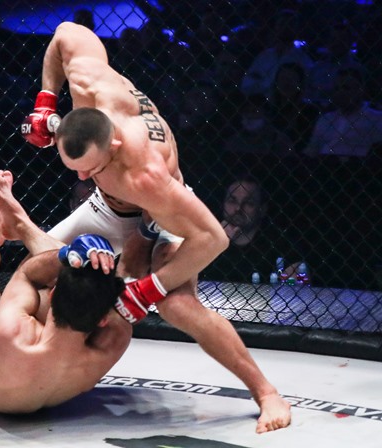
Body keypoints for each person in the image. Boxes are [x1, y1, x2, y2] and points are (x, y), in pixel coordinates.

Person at [21, 22, 291, 432]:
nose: (81, 178)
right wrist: (44, 102)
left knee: (176, 306)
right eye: (74, 168)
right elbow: (65, 33)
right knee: (34, 268)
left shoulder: (146, 174)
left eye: (90, 168)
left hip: (163, 216)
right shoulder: (90, 83)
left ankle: (266, 393)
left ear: (113, 146)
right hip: (109, 206)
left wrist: (148, 286)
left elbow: (213, 238)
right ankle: (36, 373)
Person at [0, 170, 132, 413]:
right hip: (50, 354)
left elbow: (27, 273)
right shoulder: (115, 338)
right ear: (103, 319)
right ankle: (13, 224)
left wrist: (67, 255)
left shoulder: (14, 335)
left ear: (53, 294)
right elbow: (124, 290)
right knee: (87, 287)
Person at [202, 175, 305, 284]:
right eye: (232, 201)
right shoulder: (207, 239)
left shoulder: (281, 244)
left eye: (248, 203)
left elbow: (298, 287)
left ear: (262, 209)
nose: (238, 208)